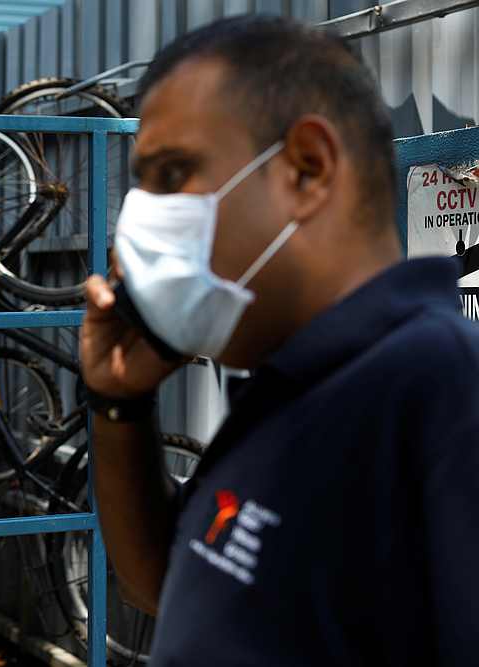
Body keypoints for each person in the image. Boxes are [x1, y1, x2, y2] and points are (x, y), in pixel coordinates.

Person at [80, 15, 479, 666]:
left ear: (307, 168)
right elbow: (165, 583)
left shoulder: (439, 385)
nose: (139, 222)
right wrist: (118, 403)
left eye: (173, 173)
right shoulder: (290, 381)